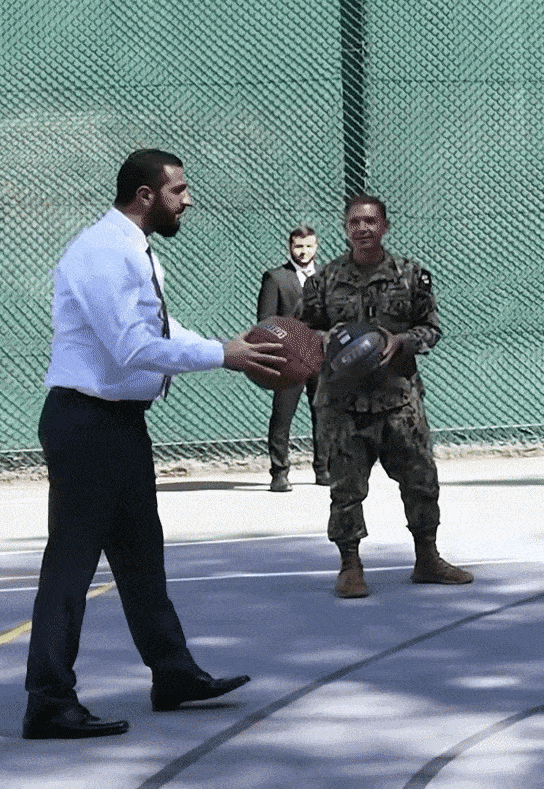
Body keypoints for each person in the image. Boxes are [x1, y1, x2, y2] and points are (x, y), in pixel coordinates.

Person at [23, 149, 291, 739]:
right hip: (85, 424)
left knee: (143, 555)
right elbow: (132, 348)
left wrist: (229, 345)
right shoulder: (103, 252)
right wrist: (225, 354)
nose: (187, 200)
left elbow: (160, 333)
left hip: (117, 424)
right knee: (70, 566)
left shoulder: (133, 250)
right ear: (146, 196)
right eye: (179, 191)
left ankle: (172, 674)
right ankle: (47, 700)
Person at [298, 193, 473, 599]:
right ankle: (350, 566)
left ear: (385, 226)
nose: (362, 228)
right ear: (345, 228)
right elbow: (304, 331)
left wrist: (402, 339)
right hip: (342, 404)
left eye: (371, 221)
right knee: (345, 489)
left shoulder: (410, 276)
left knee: (421, 482)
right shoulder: (323, 281)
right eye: (355, 222)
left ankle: (427, 558)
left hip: (399, 400)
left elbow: (430, 328)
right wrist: (330, 341)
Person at [257, 226, 329, 490]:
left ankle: (323, 470)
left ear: (316, 247)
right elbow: (266, 322)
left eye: (309, 246)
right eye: (299, 246)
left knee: (322, 414)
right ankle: (279, 472)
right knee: (282, 416)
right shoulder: (275, 278)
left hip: (320, 359)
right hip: (289, 361)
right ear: (290, 247)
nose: (304, 252)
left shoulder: (326, 276)